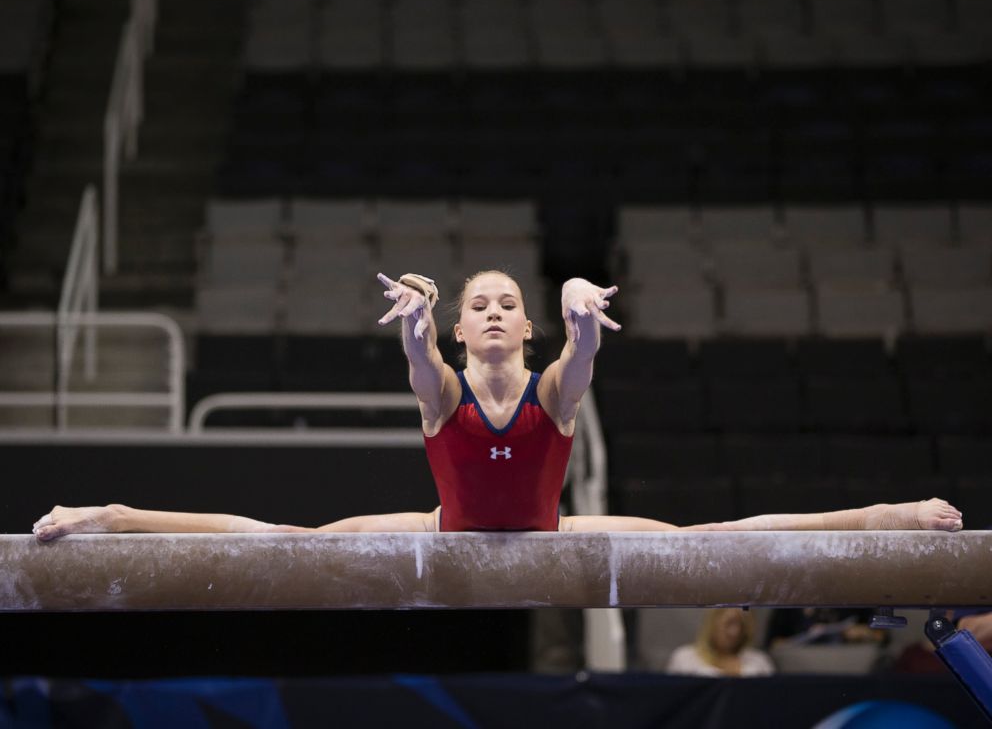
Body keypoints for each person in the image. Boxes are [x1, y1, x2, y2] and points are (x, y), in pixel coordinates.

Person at [32, 270, 965, 539]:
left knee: (706, 540)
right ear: (461, 327)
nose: (490, 313)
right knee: (292, 545)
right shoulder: (440, 386)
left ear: (525, 331)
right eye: (476, 304)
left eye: (505, 305)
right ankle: (110, 516)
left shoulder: (554, 385)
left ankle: (888, 514)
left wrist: (576, 308)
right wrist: (417, 322)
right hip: (447, 528)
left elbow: (587, 353)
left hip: (552, 534)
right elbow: (415, 360)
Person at [667, 608, 775, 677]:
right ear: (712, 623)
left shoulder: (759, 661)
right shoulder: (685, 658)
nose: (735, 632)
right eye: (729, 623)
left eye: (741, 625)